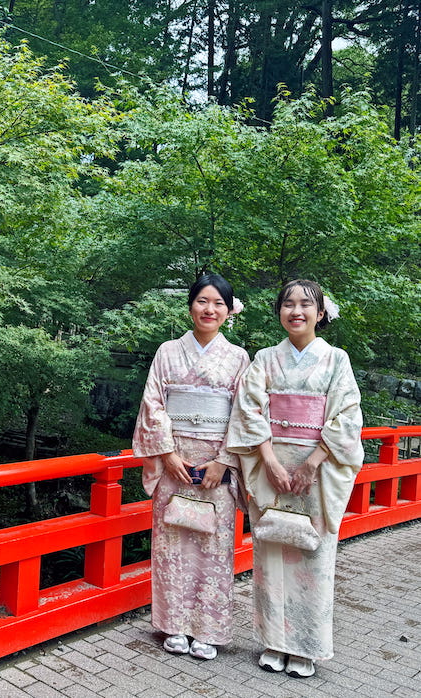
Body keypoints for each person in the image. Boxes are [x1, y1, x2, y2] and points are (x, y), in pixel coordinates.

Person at [227, 279, 363, 678]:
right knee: (270, 553)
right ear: (280, 312)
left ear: (320, 314)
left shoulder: (337, 359)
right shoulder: (266, 358)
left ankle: (306, 646)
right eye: (288, 304)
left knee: (313, 555)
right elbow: (248, 408)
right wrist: (267, 459)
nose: (296, 311)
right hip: (271, 466)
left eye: (306, 305)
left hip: (317, 472)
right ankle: (273, 641)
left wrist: (313, 463)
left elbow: (348, 417)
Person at [132, 274, 250, 661]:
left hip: (216, 467)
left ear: (229, 311)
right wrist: (166, 455)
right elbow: (154, 405)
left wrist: (224, 462)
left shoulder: (238, 358)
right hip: (174, 463)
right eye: (202, 301)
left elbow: (244, 415)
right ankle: (174, 625)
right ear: (190, 306)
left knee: (213, 548)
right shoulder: (167, 351)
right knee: (172, 545)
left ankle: (208, 629)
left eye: (218, 303)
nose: (209, 309)